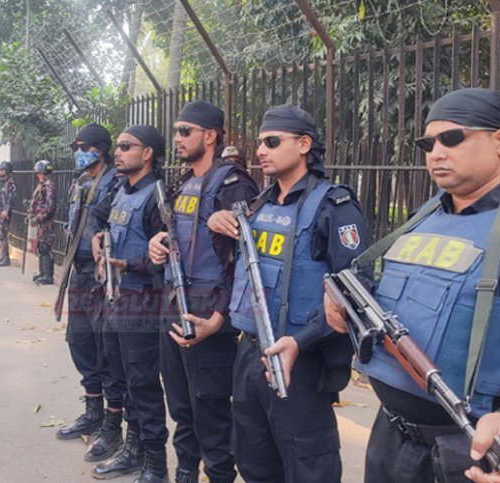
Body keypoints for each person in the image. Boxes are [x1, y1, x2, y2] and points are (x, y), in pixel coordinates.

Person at [324, 88, 500, 483]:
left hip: (477, 454)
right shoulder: (424, 218)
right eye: (428, 143)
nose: (436, 152)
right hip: (390, 444)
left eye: (452, 138)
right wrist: (344, 308)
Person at [208, 105, 370, 482]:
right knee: (254, 462)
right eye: (260, 142)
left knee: (307, 467)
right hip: (251, 352)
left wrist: (302, 340)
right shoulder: (259, 204)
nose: (260, 150)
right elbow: (238, 269)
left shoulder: (334, 206)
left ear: (303, 144)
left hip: (301, 360)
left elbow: (355, 290)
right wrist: (217, 225)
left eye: (272, 141)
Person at [147, 101, 259, 483]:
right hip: (174, 305)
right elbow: (176, 233)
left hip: (209, 314)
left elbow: (247, 260)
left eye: (185, 131)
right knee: (181, 409)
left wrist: (221, 318)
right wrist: (157, 243)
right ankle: (185, 474)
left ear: (210, 136)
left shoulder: (232, 183)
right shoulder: (184, 183)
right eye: (176, 131)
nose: (177, 138)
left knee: (211, 414)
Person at [91, 125, 169, 483]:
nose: (117, 152)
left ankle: (156, 464)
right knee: (121, 378)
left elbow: (167, 255)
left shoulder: (158, 195)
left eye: (125, 146)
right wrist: (98, 238)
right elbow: (102, 220)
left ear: (148, 153)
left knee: (143, 384)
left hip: (143, 302)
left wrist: (130, 265)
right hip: (115, 299)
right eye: (118, 146)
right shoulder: (121, 189)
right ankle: (133, 449)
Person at [54, 124, 125, 464]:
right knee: (79, 342)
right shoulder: (80, 182)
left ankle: (113, 425)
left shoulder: (115, 181)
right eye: (76, 148)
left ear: (100, 149)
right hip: (79, 272)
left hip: (103, 276)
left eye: (83, 147)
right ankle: (93, 411)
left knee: (105, 350)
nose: (78, 153)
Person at [30, 160, 57, 285]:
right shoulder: (41, 185)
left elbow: (49, 206)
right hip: (41, 222)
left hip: (47, 222)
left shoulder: (48, 186)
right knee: (41, 246)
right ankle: (42, 273)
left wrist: (38, 218)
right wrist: (31, 215)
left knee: (45, 247)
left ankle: (48, 275)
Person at [0, 161, 17, 267]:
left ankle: (6, 258)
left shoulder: (11, 183)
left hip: (4, 213)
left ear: (7, 171)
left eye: (2, 170)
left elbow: (11, 198)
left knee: (3, 235)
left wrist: (6, 210)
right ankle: (2, 256)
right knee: (0, 235)